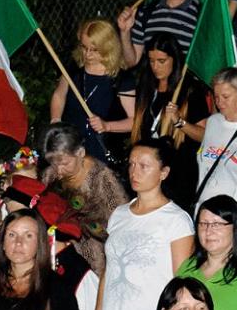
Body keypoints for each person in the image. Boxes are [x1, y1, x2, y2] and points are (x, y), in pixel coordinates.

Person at [91, 140, 197, 310]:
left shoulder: (176, 219)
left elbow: (181, 281)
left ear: (163, 172)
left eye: (144, 166)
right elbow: (109, 273)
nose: (134, 172)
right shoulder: (119, 214)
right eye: (131, 164)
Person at [40, 121, 131, 280]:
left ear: (80, 153)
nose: (59, 170)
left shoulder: (102, 177)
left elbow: (122, 220)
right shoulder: (51, 174)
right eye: (54, 164)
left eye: (65, 163)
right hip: (58, 248)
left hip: (96, 254)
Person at [133, 36, 212, 205]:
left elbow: (204, 136)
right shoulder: (146, 86)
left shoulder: (190, 90)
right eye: (152, 61)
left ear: (174, 60)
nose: (155, 67)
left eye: (162, 61)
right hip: (149, 167)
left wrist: (179, 122)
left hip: (179, 169)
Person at [52, 18, 135, 169]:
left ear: (108, 47)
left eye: (94, 49)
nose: (87, 54)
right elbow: (59, 95)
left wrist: (107, 125)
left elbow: (134, 121)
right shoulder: (75, 68)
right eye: (84, 47)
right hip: (71, 147)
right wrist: (56, 119)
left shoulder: (121, 78)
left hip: (102, 152)